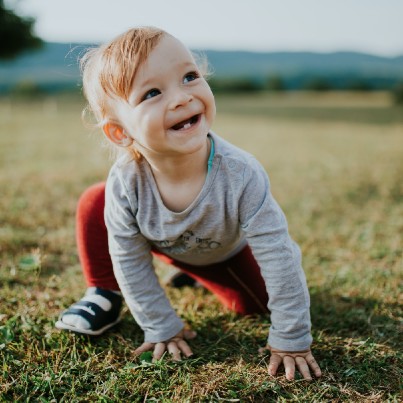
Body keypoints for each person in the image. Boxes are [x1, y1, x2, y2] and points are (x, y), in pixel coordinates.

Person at [55, 26, 322, 381]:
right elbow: (128, 258)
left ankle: (195, 272)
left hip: (220, 250)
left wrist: (291, 338)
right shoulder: (127, 181)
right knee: (95, 199)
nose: (181, 97)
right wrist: (161, 326)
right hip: (157, 240)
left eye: (190, 76)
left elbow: (277, 255)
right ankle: (102, 293)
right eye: (151, 92)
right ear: (120, 132)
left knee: (253, 306)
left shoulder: (241, 173)